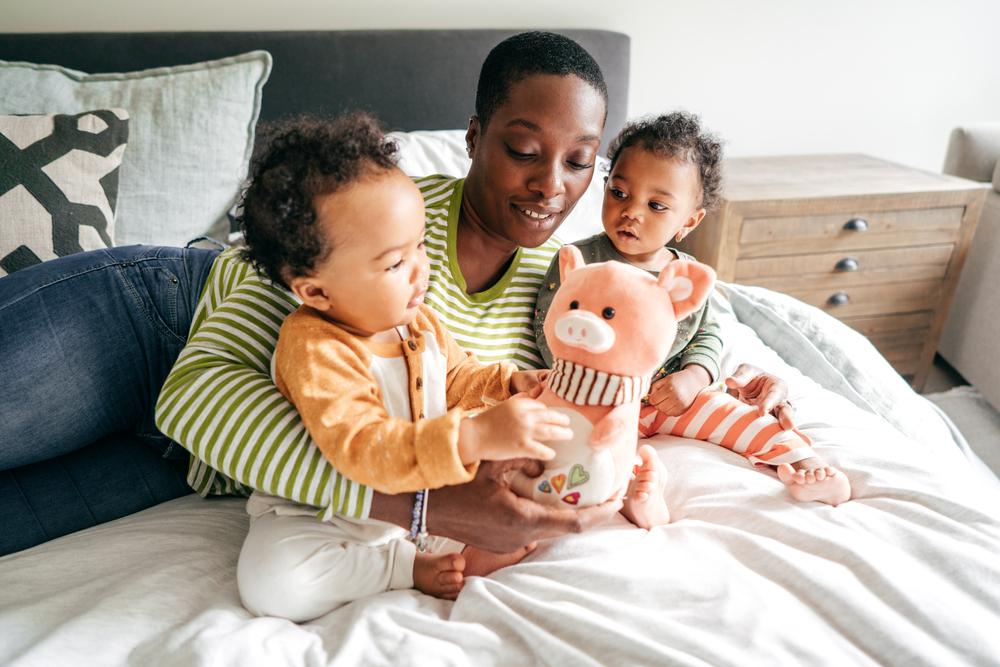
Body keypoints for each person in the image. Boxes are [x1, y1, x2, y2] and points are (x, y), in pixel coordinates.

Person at [0, 31, 793, 558]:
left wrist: (729, 382)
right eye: (523, 149)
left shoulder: (564, 291)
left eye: (581, 161)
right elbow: (194, 397)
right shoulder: (376, 210)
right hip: (151, 322)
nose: (552, 185)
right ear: (476, 136)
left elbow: (650, 336)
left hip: (192, 469)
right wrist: (420, 509)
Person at [235, 113, 581, 618]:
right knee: (272, 581)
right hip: (330, 516)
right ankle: (402, 569)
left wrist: (512, 382)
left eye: (420, 244)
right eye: (395, 263)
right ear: (316, 291)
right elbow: (362, 446)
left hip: (421, 501)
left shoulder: (417, 322)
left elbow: (460, 377)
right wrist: (473, 436)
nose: (422, 268)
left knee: (519, 493)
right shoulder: (315, 345)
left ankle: (446, 550)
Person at [534, 111, 851, 510]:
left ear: (689, 221)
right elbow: (552, 324)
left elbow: (708, 333)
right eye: (619, 193)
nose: (632, 211)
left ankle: (807, 465)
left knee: (742, 417)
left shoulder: (683, 276)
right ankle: (633, 491)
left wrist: (693, 377)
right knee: (582, 445)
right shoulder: (581, 260)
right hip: (595, 399)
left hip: (671, 400)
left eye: (656, 205)